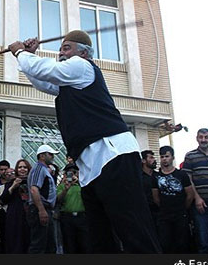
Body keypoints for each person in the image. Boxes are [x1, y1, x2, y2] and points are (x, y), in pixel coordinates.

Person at [9, 32, 161, 253]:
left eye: (67, 48)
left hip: (113, 154)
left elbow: (45, 69)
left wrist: (20, 52)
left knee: (133, 228)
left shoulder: (81, 66)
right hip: (91, 166)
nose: (61, 52)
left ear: (83, 52)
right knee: (99, 235)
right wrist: (28, 55)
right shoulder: (69, 82)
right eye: (61, 48)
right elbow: (42, 81)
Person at [151, 146, 193, 253]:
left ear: (172, 157)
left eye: (167, 156)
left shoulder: (181, 174)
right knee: (165, 244)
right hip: (164, 216)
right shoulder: (155, 177)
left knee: (182, 244)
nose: (164, 159)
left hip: (180, 215)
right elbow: (155, 197)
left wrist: (183, 208)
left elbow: (190, 194)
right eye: (162, 157)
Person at [26, 144, 58, 253]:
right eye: (50, 154)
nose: (52, 157)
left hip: (44, 209)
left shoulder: (43, 169)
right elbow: (34, 189)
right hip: (40, 209)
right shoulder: (39, 168)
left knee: (49, 244)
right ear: (42, 156)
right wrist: (41, 210)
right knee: (39, 244)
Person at [56, 163, 90, 253]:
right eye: (69, 173)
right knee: (69, 244)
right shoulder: (62, 186)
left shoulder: (83, 185)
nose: (72, 175)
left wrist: (79, 181)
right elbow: (58, 200)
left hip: (82, 217)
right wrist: (66, 189)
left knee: (85, 244)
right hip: (67, 218)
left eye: (74, 172)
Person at [0, 160, 31, 253]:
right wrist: (13, 186)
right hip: (15, 216)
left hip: (29, 215)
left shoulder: (33, 181)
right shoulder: (11, 182)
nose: (22, 169)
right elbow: (3, 199)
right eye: (20, 167)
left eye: (25, 167)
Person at [141, 150, 159, 227]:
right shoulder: (138, 178)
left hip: (159, 212)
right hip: (145, 213)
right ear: (144, 161)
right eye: (151, 158)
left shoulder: (158, 176)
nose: (154, 160)